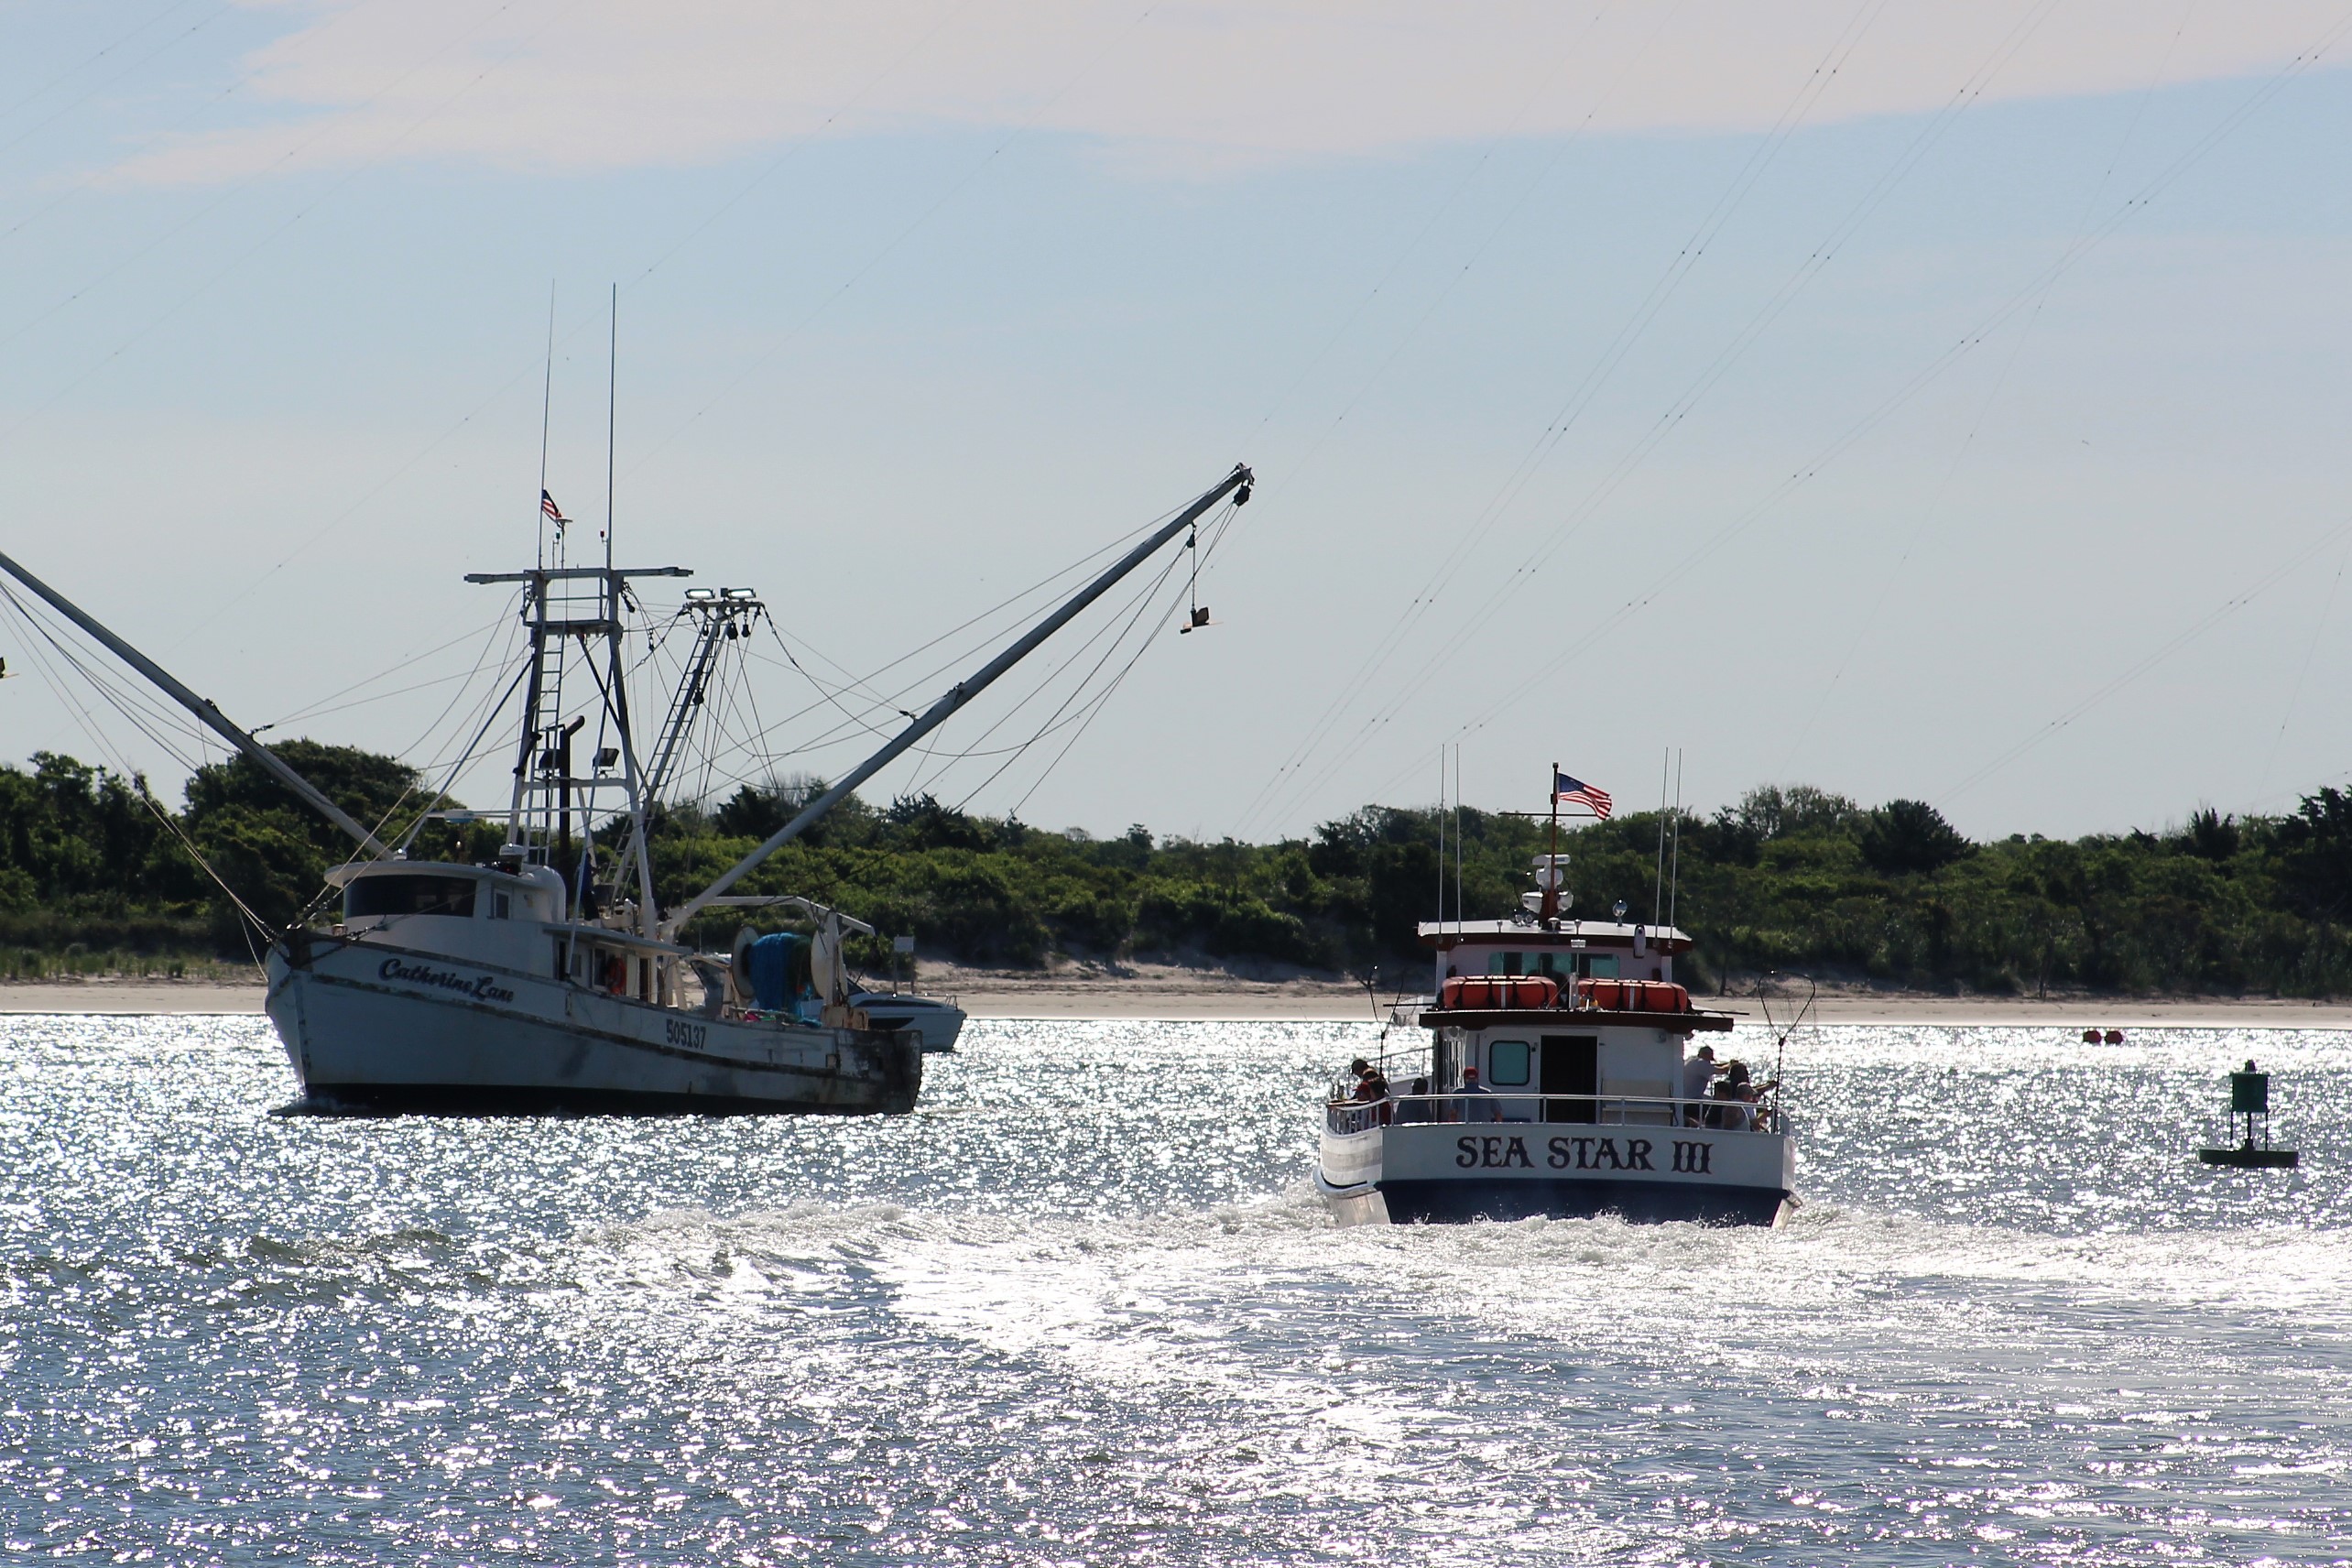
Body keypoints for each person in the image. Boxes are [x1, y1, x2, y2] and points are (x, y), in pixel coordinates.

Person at [1682, 1045, 1717, 1127]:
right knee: (1715, 1109)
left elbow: (1715, 1066)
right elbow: (1721, 1070)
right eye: (1709, 1058)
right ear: (1705, 1055)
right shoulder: (1701, 1064)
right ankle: (1709, 1128)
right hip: (1690, 1103)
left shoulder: (1692, 1061)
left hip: (1685, 1100)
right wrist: (1731, 1065)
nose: (1709, 1062)